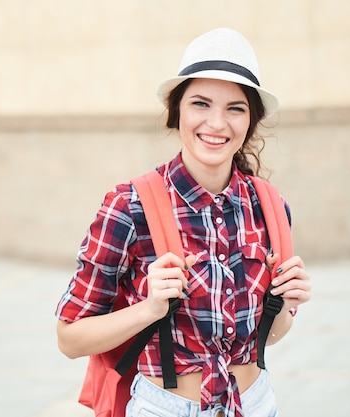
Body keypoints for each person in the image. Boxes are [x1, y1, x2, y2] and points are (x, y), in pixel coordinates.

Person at [55, 28, 311, 417]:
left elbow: (268, 339)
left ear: (250, 121)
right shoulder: (130, 205)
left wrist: (285, 304)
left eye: (235, 108)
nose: (216, 123)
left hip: (256, 403)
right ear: (177, 111)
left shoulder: (271, 206)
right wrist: (149, 308)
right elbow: (69, 338)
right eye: (201, 104)